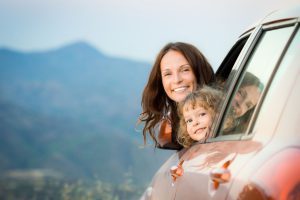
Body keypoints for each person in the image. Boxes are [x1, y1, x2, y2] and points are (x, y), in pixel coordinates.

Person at [138, 42, 215, 150]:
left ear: (198, 72)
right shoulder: (170, 126)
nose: (177, 80)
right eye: (168, 74)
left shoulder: (223, 106)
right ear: (161, 82)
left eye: (185, 70)